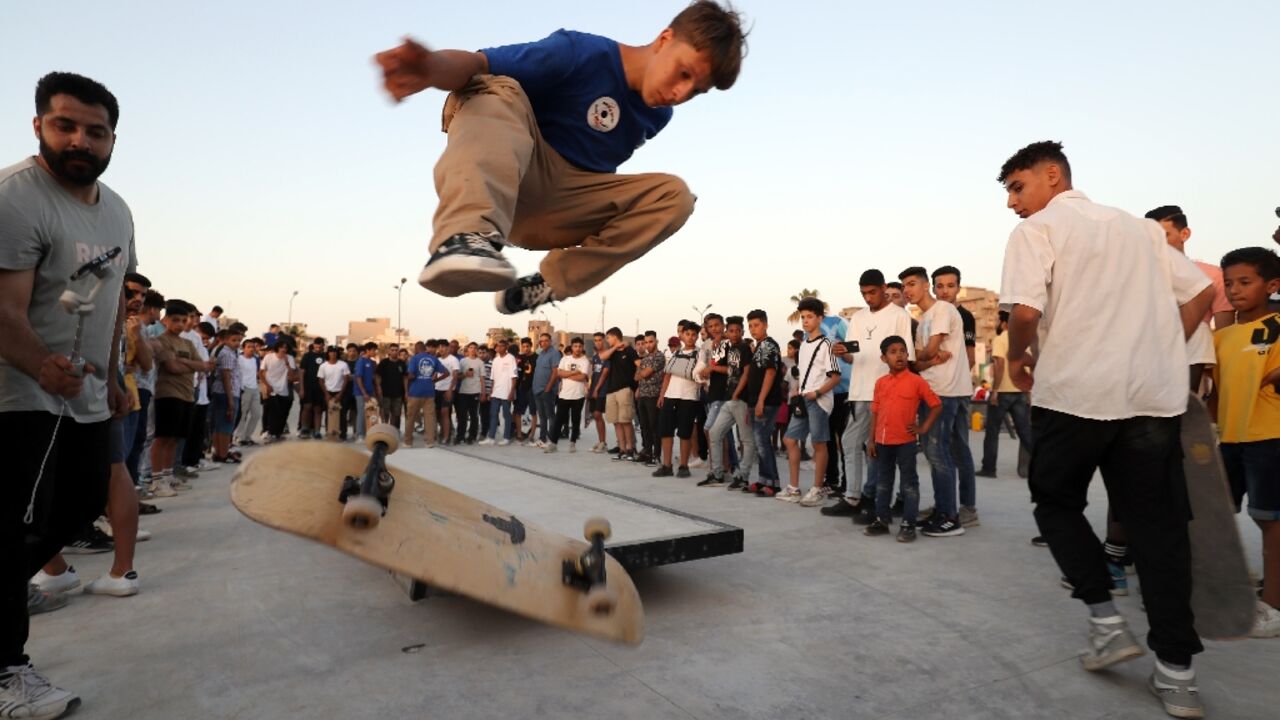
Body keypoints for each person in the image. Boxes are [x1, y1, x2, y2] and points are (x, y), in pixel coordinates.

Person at [998, 140, 1214, 718]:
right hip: (1150, 397)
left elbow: (1023, 312)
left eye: (1018, 187)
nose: (1013, 204)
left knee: (1055, 502)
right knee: (1160, 530)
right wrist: (1166, 344)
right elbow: (1200, 291)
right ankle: (1177, 675)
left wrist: (1018, 357)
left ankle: (1106, 618)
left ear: (1052, 176)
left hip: (1075, 394)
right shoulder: (1141, 230)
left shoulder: (1038, 231)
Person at [377, 2, 747, 314]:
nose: (680, 93)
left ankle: (549, 283)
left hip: (565, 207)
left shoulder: (657, 115)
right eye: (683, 74)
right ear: (665, 39)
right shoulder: (581, 52)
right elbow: (478, 63)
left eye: (695, 92)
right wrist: (431, 68)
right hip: (513, 175)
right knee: (493, 86)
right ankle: (465, 236)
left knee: (675, 196)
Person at [0, 70, 137, 719]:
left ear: (113, 138)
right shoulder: (15, 197)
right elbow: (4, 309)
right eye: (66, 125)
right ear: (38, 127)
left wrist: (111, 377)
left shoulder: (117, 209)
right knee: (17, 525)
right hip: (19, 396)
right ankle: (8, 675)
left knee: (82, 505)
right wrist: (40, 365)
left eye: (96, 130)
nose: (81, 139)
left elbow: (111, 304)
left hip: (84, 396)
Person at [1210, 246, 1280, 638]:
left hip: (1270, 437)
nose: (1234, 290)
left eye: (1245, 282)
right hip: (1231, 439)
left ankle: (1273, 605)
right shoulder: (1223, 336)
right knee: (1217, 515)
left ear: (1272, 285)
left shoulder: (1279, 324)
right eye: (1229, 283)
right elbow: (1216, 392)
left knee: (1271, 523)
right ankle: (1230, 585)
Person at [823, 269, 915, 523]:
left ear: (883, 288)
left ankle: (872, 501)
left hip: (886, 392)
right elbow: (855, 356)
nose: (868, 298)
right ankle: (855, 497)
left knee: (877, 450)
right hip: (859, 391)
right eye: (863, 293)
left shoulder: (899, 315)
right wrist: (843, 354)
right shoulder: (858, 317)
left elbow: (905, 358)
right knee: (853, 444)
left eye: (872, 292)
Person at [899, 266, 971, 536]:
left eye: (912, 284)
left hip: (945, 391)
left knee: (939, 453)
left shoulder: (943, 310)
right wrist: (926, 357)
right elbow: (921, 356)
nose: (907, 290)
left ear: (926, 284)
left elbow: (926, 351)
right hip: (929, 390)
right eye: (904, 285)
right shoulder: (924, 317)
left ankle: (950, 517)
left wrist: (925, 356)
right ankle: (942, 510)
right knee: (932, 453)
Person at [1146, 205, 1236, 391]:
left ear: (1184, 234)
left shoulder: (1212, 275)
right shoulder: (1137, 275)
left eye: (1164, 236)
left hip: (1194, 362)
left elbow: (1224, 332)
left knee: (1200, 332)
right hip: (1144, 359)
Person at [866, 336, 941, 541]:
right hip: (882, 442)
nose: (899, 355)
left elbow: (936, 405)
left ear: (908, 355)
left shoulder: (917, 381)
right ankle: (882, 519)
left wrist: (923, 427)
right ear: (884, 358)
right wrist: (871, 440)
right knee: (883, 482)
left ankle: (908, 523)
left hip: (906, 442)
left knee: (908, 484)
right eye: (892, 351)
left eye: (902, 351)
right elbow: (875, 412)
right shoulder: (880, 383)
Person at [780, 297, 842, 506]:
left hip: (818, 400)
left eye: (809, 317)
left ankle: (817, 488)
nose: (805, 321)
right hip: (803, 398)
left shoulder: (826, 345)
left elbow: (835, 376)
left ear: (819, 318)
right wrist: (799, 389)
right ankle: (794, 488)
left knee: (818, 442)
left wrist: (817, 393)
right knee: (790, 440)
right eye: (803, 317)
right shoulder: (804, 344)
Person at [977, 311, 1034, 479]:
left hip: (1003, 392)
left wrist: (994, 390)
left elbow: (1000, 365)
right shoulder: (1024, 341)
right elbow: (1028, 366)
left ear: (1003, 323)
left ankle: (989, 468)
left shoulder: (1000, 339)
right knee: (1025, 432)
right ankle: (1043, 465)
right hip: (1020, 391)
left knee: (992, 432)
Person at [703, 315, 755, 488]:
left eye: (737, 331)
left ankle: (743, 476)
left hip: (741, 399)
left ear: (742, 332)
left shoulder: (744, 348)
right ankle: (717, 474)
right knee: (714, 433)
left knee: (746, 439)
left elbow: (746, 373)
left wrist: (737, 392)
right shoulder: (730, 349)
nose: (733, 334)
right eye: (731, 331)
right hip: (728, 399)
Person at [739, 310, 783, 496]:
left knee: (762, 441)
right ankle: (763, 479)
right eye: (750, 326)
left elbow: (771, 373)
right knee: (759, 442)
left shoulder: (770, 346)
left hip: (767, 401)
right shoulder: (758, 346)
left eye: (756, 325)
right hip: (755, 401)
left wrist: (761, 401)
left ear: (765, 325)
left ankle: (773, 482)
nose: (753, 329)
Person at [654, 322, 704, 477]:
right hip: (670, 396)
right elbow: (668, 375)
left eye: (693, 334)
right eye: (687, 334)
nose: (690, 337)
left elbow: (698, 375)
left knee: (685, 433)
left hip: (689, 397)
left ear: (697, 336)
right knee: (666, 431)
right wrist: (662, 395)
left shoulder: (700, 354)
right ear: (682, 335)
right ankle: (667, 465)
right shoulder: (676, 353)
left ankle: (683, 466)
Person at [597, 327, 639, 460]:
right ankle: (622, 449)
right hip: (611, 391)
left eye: (608, 338)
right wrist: (615, 347)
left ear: (615, 337)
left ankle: (631, 449)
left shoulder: (629, 350)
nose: (607, 340)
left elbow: (639, 364)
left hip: (625, 389)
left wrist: (637, 385)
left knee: (625, 420)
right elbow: (602, 356)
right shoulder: (612, 352)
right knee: (616, 421)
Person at [547, 337, 591, 452]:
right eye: (575, 346)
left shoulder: (585, 361)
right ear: (572, 347)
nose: (578, 349)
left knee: (575, 420)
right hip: (564, 395)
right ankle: (553, 443)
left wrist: (567, 375)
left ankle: (572, 443)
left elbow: (583, 377)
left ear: (582, 348)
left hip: (578, 395)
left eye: (580, 347)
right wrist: (574, 372)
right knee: (559, 420)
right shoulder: (565, 359)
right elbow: (559, 373)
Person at [208, 329, 244, 463]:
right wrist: (230, 399)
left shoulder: (222, 351)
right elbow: (226, 376)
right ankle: (222, 454)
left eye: (239, 340)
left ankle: (218, 452)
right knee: (226, 425)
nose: (237, 343)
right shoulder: (227, 353)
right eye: (233, 340)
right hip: (226, 392)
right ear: (226, 340)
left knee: (219, 424)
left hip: (220, 392)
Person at [480, 339, 519, 444]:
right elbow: (493, 378)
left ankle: (506, 437)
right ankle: (491, 438)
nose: (500, 348)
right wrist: (492, 392)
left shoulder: (511, 358)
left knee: (506, 416)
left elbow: (514, 377)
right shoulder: (495, 360)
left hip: (507, 392)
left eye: (502, 346)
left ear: (506, 347)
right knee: (493, 414)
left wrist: (512, 392)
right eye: (498, 346)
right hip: (496, 392)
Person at [634, 331, 665, 465]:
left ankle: (656, 454)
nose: (648, 344)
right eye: (646, 342)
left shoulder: (659, 356)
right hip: (643, 395)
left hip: (654, 395)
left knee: (655, 426)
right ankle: (647, 451)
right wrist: (643, 374)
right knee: (644, 426)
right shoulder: (645, 358)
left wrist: (644, 373)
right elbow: (636, 376)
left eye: (650, 341)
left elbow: (645, 373)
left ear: (656, 341)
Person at [405, 341, 444, 447]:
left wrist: (407, 378)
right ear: (425, 348)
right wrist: (434, 380)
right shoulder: (433, 358)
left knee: (411, 417)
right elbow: (446, 372)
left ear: (417, 349)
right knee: (429, 417)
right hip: (429, 391)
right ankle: (430, 441)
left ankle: (408, 441)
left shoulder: (414, 358)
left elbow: (411, 375)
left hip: (415, 392)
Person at [259, 341, 297, 442]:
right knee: (273, 411)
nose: (283, 349)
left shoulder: (290, 358)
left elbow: (292, 375)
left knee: (282, 413)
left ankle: (278, 433)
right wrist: (267, 386)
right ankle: (270, 432)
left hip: (283, 389)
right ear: (277, 348)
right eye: (281, 347)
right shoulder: (268, 357)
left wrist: (287, 364)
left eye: (285, 348)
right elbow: (261, 373)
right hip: (271, 388)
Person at [532, 333, 562, 447]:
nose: (543, 343)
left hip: (547, 391)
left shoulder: (554, 354)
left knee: (550, 416)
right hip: (537, 390)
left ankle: (551, 440)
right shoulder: (540, 354)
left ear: (550, 342)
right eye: (541, 341)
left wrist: (548, 389)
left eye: (545, 341)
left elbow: (555, 373)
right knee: (542, 416)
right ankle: (542, 439)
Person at [317, 346, 352, 441]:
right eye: (331, 352)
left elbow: (346, 380)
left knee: (342, 413)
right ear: (328, 353)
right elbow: (321, 381)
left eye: (335, 352)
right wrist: (326, 394)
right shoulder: (323, 366)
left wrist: (340, 394)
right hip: (328, 392)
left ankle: (343, 434)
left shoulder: (343, 365)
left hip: (341, 392)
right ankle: (330, 433)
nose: (333, 354)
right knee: (329, 413)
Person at [234, 338, 262, 445]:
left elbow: (258, 372)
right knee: (242, 414)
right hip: (243, 388)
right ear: (243, 348)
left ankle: (247, 436)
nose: (251, 349)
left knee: (256, 413)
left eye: (253, 347)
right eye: (249, 347)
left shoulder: (256, 359)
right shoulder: (239, 359)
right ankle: (239, 437)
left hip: (254, 388)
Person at [297, 337, 326, 439]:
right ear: (313, 345)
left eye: (320, 344)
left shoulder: (325, 356)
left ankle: (317, 431)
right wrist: (301, 388)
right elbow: (301, 372)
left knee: (318, 409)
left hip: (321, 387)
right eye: (316, 344)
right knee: (307, 407)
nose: (318, 346)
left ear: (323, 345)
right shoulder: (307, 356)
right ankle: (304, 428)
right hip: (308, 386)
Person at [454, 343, 482, 444]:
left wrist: (482, 392)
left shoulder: (480, 362)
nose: (473, 349)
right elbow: (458, 376)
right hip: (463, 392)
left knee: (474, 415)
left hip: (475, 391)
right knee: (462, 415)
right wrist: (465, 374)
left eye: (475, 348)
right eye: (471, 347)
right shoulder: (462, 361)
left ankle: (472, 436)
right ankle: (460, 436)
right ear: (468, 349)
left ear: (477, 350)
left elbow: (482, 378)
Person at [433, 340, 460, 444]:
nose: (441, 349)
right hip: (436, 389)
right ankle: (443, 431)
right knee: (437, 413)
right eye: (439, 347)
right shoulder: (437, 360)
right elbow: (435, 374)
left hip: (447, 390)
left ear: (448, 348)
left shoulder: (453, 360)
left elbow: (455, 376)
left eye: (443, 347)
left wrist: (450, 390)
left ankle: (446, 436)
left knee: (445, 412)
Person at [586, 333, 609, 451]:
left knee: (598, 414)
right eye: (595, 340)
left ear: (604, 341)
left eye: (600, 340)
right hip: (593, 389)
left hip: (602, 390)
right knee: (595, 416)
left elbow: (604, 374)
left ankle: (603, 442)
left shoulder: (607, 356)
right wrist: (589, 389)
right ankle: (601, 441)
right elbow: (592, 374)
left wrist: (596, 389)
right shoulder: (595, 357)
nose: (597, 342)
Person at [351, 342, 378, 441]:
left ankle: (367, 432)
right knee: (361, 413)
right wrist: (364, 393)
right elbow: (358, 378)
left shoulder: (371, 362)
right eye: (374, 350)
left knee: (369, 413)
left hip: (370, 392)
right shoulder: (360, 361)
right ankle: (359, 435)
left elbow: (372, 378)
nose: (375, 352)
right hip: (360, 393)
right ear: (368, 350)